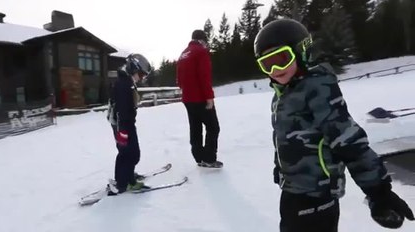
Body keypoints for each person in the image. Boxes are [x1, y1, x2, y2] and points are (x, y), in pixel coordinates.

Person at [253, 18, 414, 232]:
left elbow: (350, 142)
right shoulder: (284, 94)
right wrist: (280, 169)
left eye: (281, 59)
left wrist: (379, 193)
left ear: (302, 52)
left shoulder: (318, 90)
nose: (274, 69)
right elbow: (283, 138)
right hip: (293, 191)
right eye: (266, 63)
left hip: (317, 195)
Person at [106, 53, 152, 195]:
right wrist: (123, 131)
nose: (141, 78)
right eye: (141, 74)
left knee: (126, 152)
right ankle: (126, 182)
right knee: (131, 154)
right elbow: (123, 109)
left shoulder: (126, 81)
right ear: (133, 68)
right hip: (123, 125)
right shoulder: (124, 84)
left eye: (144, 76)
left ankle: (125, 176)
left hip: (123, 124)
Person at [176, 30, 222, 168]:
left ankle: (199, 157)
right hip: (200, 97)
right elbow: (204, 76)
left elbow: (178, 79)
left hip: (188, 98)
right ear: (202, 40)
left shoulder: (183, 54)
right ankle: (209, 158)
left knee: (195, 127)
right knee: (213, 127)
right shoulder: (201, 52)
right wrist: (209, 97)